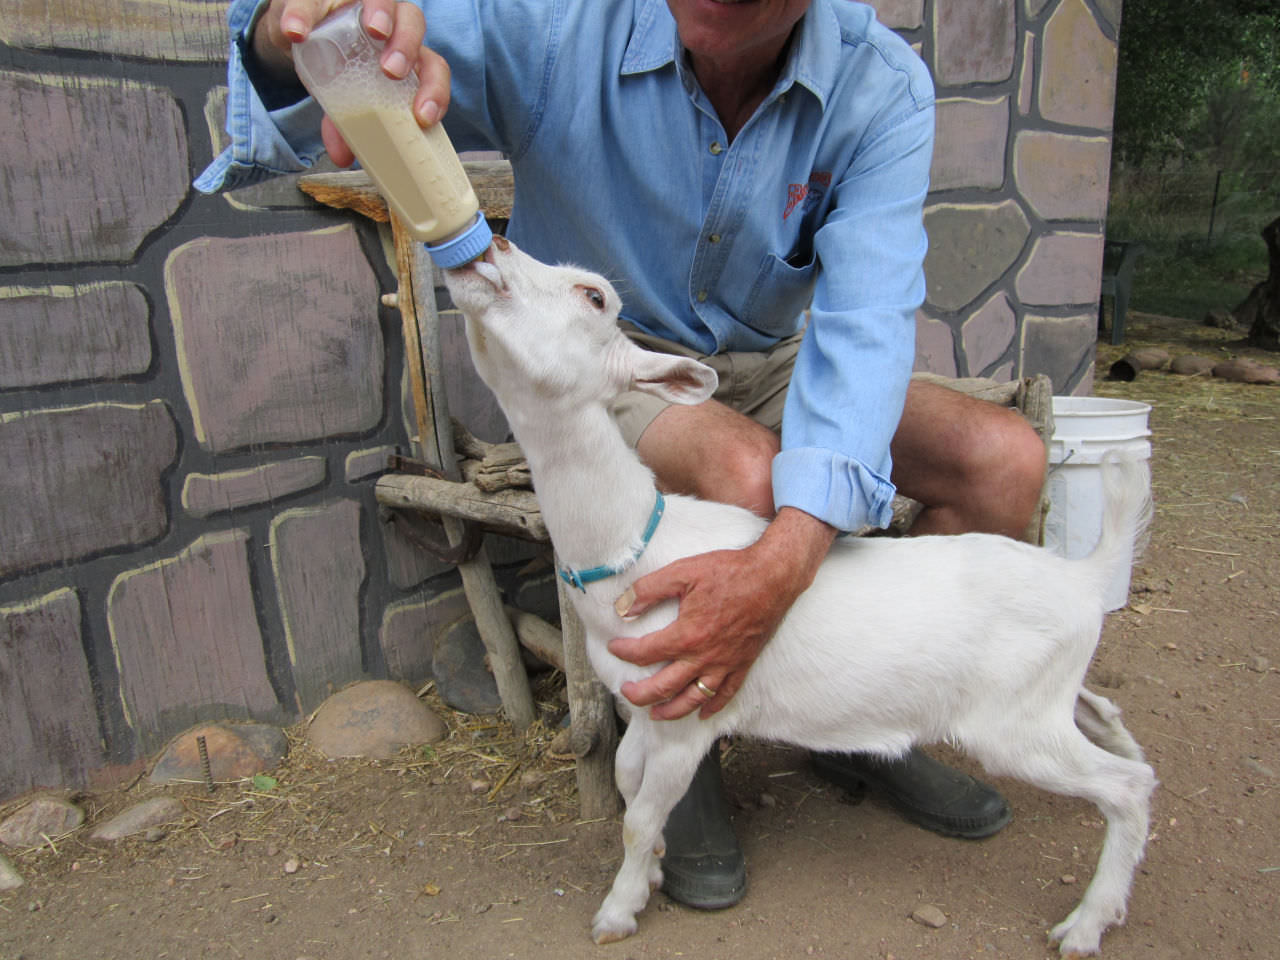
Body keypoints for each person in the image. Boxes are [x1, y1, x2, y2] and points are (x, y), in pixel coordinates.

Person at [199, 0, 1048, 911]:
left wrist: (793, 555)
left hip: (775, 356)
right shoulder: (558, 25)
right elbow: (337, 59)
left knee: (1005, 461)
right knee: (752, 478)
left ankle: (864, 718)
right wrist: (300, 37)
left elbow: (868, 321)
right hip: (604, 358)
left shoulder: (878, 84)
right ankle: (683, 748)